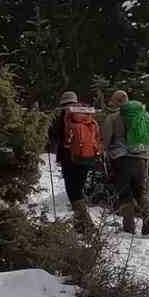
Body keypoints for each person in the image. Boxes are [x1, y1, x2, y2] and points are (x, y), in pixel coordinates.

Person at [101, 89, 149, 235]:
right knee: (141, 189)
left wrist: (104, 152)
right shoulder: (142, 115)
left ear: (114, 102)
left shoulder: (112, 118)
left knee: (125, 192)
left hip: (121, 159)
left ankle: (129, 227)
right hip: (142, 157)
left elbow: (106, 140)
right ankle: (148, 215)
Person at [46, 90, 101, 231]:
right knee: (78, 189)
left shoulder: (64, 115)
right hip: (87, 157)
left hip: (69, 159)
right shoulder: (86, 114)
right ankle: (80, 225)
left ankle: (88, 225)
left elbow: (53, 135)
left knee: (73, 192)